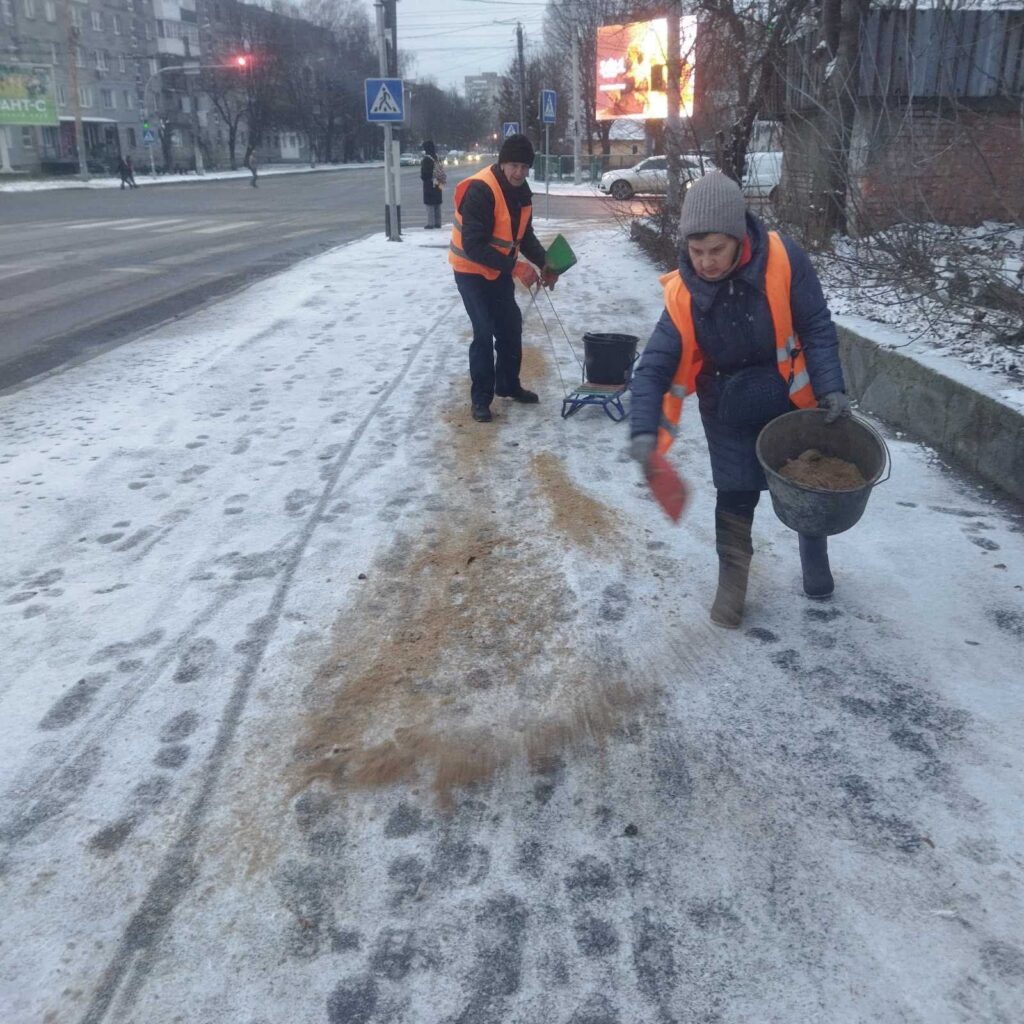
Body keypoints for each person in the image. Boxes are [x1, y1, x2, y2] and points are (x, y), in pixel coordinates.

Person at [629, 170, 851, 629]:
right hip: (726, 406)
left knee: (807, 485)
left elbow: (816, 324)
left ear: (738, 237)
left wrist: (831, 388)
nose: (706, 262)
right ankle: (732, 588)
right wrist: (642, 430)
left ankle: (816, 569)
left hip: (789, 399)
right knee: (735, 497)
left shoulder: (785, 259)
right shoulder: (683, 294)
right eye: (696, 251)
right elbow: (653, 366)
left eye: (716, 250)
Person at [449, 133, 560, 423]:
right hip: (470, 271)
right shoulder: (481, 190)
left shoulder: (522, 193)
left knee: (511, 326)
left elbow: (524, 237)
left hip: (497, 271)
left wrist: (546, 262)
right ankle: (481, 400)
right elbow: (473, 245)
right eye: (513, 165)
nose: (519, 173)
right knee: (484, 331)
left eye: (524, 167)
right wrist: (515, 268)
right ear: (502, 163)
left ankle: (508, 385)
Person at [420, 140, 444, 229]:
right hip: (438, 182)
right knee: (437, 203)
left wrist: (424, 177)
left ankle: (431, 223)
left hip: (429, 183)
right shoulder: (437, 157)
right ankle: (438, 222)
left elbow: (425, 173)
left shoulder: (427, 159)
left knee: (430, 204)